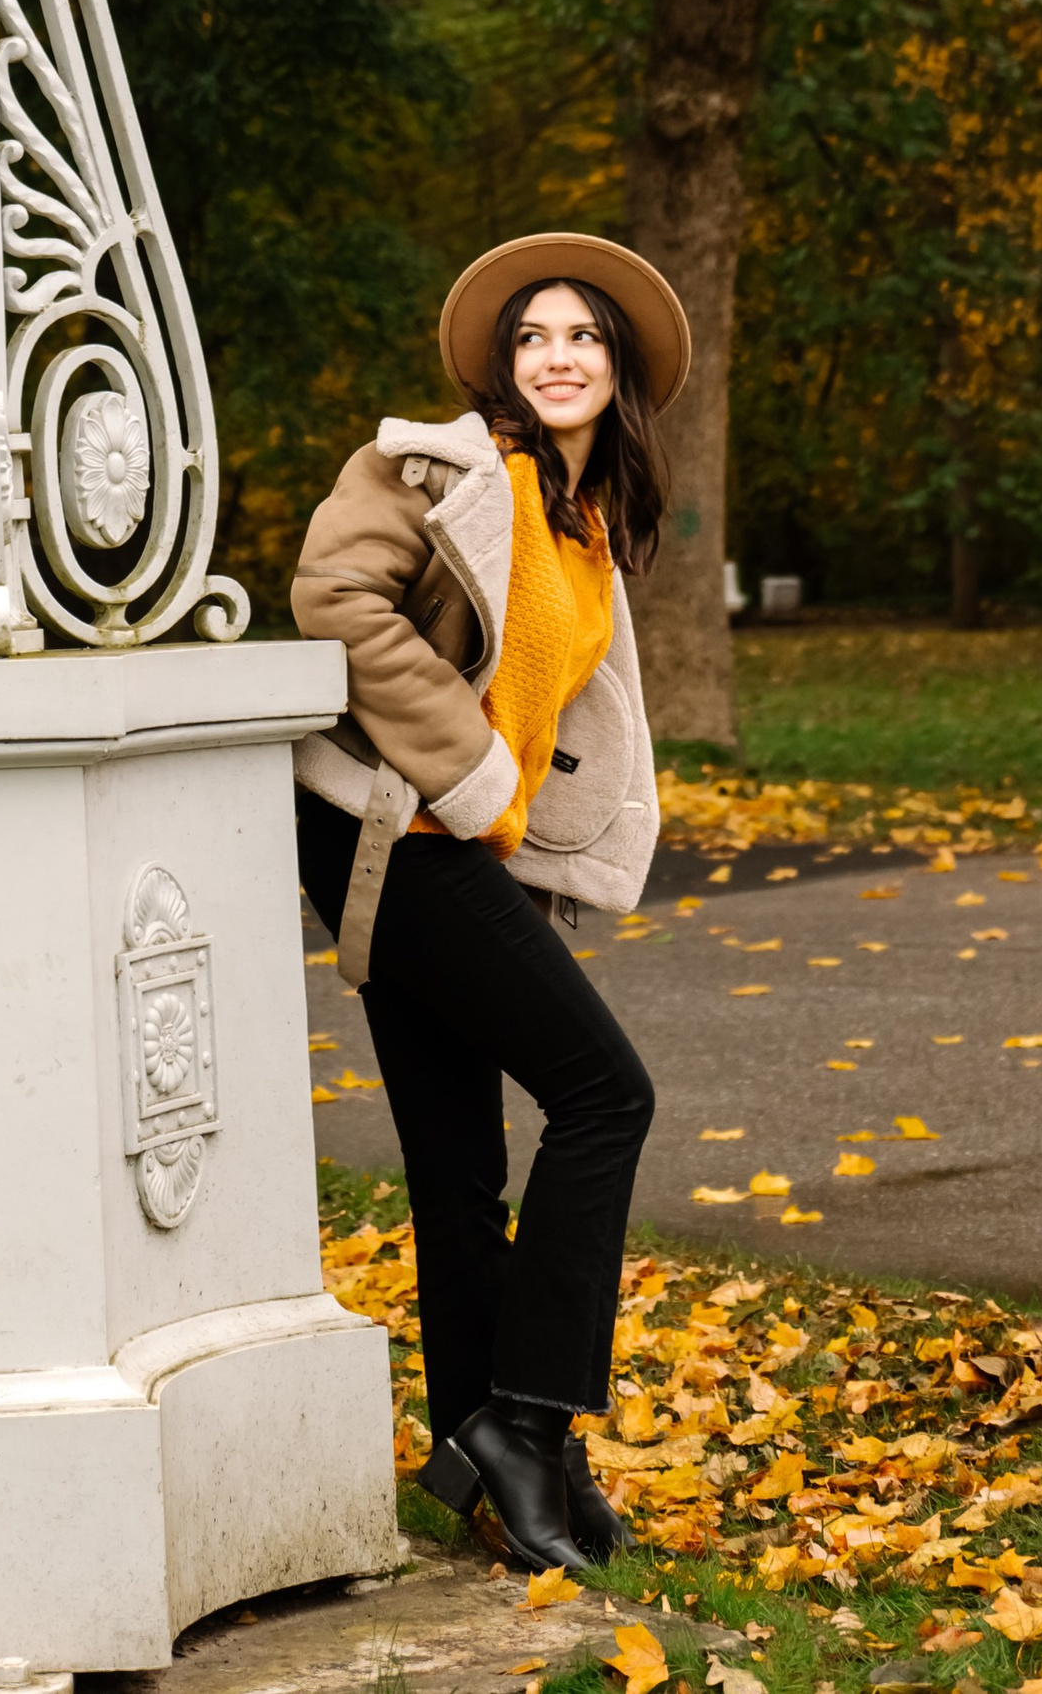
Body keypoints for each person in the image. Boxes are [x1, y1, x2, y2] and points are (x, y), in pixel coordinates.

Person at [289, 229, 683, 1578]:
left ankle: (488, 1446)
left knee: (460, 1162)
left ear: (617, 369)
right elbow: (334, 599)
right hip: (387, 830)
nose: (558, 356)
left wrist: (523, 817)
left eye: (583, 337)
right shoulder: (431, 469)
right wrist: (469, 773)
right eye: (533, 337)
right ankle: (533, 1421)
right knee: (606, 1095)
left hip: (458, 843)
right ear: (503, 367)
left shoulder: (583, 524)